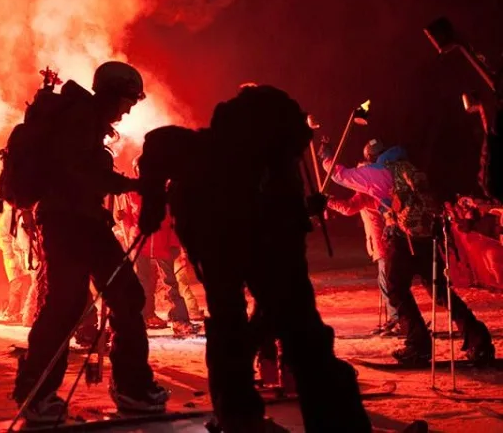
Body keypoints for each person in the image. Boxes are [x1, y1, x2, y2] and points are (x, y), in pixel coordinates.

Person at [137, 85, 371, 433]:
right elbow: (157, 148)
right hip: (226, 246)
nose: (292, 157)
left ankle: (246, 416)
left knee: (271, 329)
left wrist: (305, 210)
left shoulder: (247, 159)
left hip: (240, 247)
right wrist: (153, 203)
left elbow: (158, 145)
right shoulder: (237, 157)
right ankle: (247, 419)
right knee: (285, 333)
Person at [12, 61, 167, 422]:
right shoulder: (79, 120)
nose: (129, 108)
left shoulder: (87, 121)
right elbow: (81, 174)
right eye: (128, 100)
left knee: (125, 294)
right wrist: (133, 185)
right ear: (112, 93)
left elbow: (88, 174)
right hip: (68, 223)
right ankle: (37, 392)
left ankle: (131, 386)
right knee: (67, 304)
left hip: (84, 221)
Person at [323, 139, 495, 366]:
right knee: (441, 292)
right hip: (425, 236)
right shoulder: (408, 166)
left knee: (394, 288)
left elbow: (341, 176)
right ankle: (478, 340)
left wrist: (326, 158)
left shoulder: (379, 172)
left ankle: (418, 344)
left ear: (372, 158)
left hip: (404, 238)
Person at [326, 167, 400, 335]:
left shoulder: (367, 193)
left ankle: (398, 318)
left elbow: (348, 208)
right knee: (385, 282)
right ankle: (394, 317)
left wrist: (328, 201)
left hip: (383, 244)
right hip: (382, 243)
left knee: (388, 283)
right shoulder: (376, 190)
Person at [122, 192, 198, 337]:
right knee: (142, 282)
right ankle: (145, 316)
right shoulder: (131, 193)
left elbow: (173, 220)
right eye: (137, 167)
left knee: (170, 283)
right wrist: (124, 220)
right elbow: (128, 218)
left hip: (162, 243)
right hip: (140, 243)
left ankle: (179, 319)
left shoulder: (166, 191)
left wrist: (174, 243)